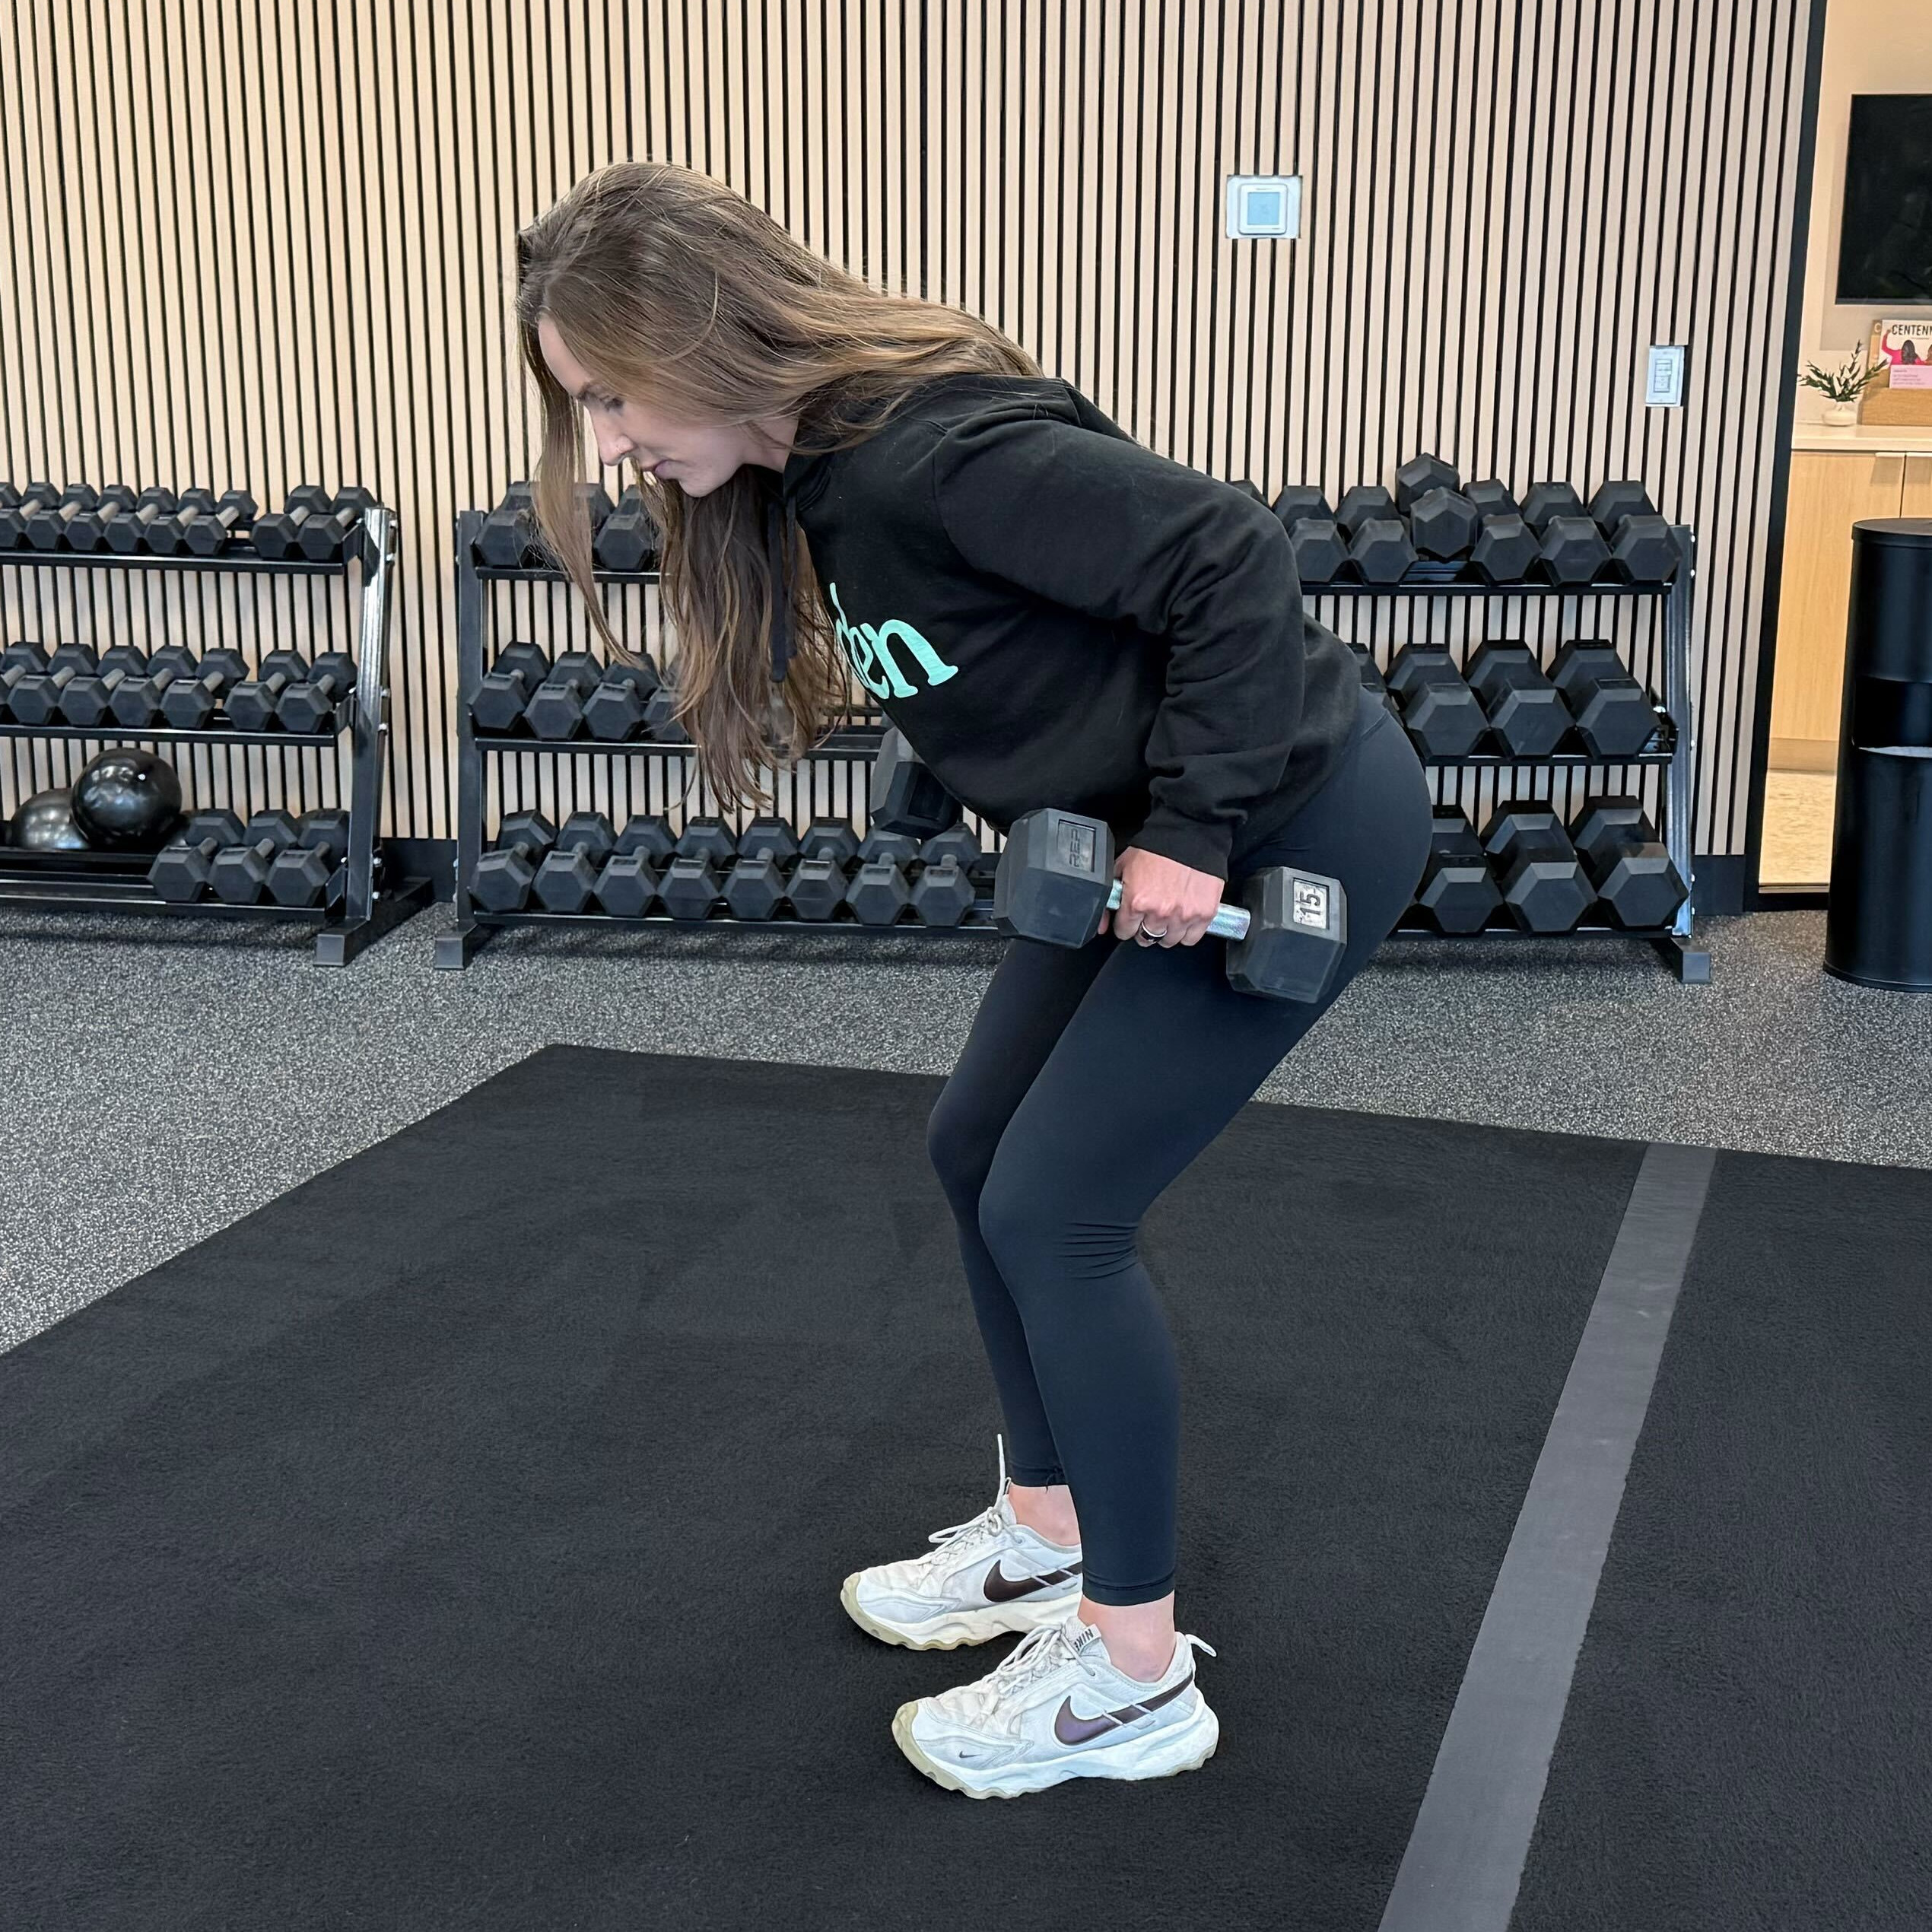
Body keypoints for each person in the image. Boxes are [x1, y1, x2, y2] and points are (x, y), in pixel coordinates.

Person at [516, 160, 1432, 1800]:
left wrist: (1199, 834)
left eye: (612, 393)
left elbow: (1229, 555)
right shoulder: (814, 479)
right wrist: (948, 770)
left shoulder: (927, 452)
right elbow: (993, 640)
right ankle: (1039, 1532)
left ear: (704, 335)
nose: (613, 441)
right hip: (1136, 816)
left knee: (1056, 1210)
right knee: (971, 1150)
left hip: (1294, 812)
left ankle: (1132, 1675)